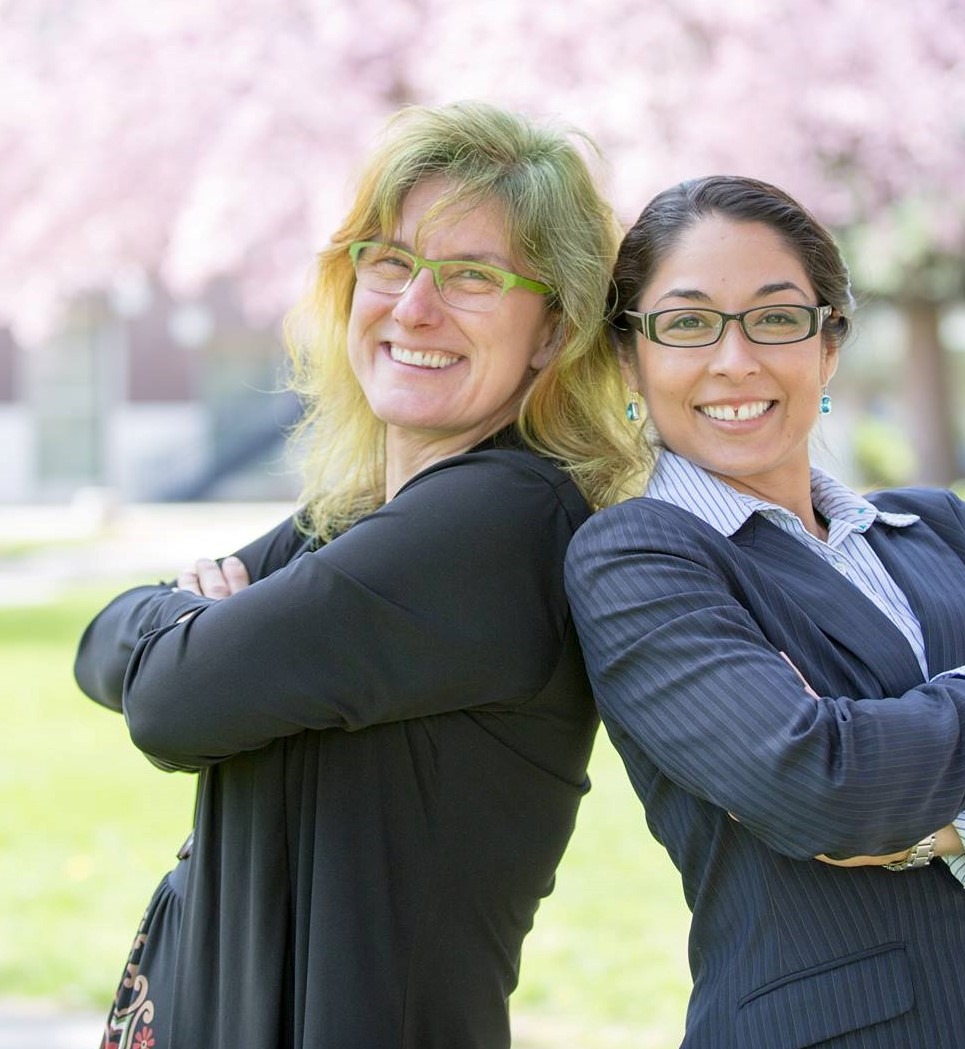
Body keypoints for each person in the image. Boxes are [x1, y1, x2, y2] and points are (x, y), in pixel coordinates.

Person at [562, 175, 965, 1049]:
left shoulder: (940, 528)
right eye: (688, 323)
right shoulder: (640, 558)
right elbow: (818, 783)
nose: (736, 359)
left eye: (775, 317)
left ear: (828, 344)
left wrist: (958, 824)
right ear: (630, 357)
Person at [74, 100, 621, 1049]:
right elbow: (101, 641)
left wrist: (186, 636)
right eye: (392, 260)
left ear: (552, 329)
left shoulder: (498, 522)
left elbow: (168, 701)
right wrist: (176, 624)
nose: (415, 306)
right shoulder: (363, 512)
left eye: (473, 276)